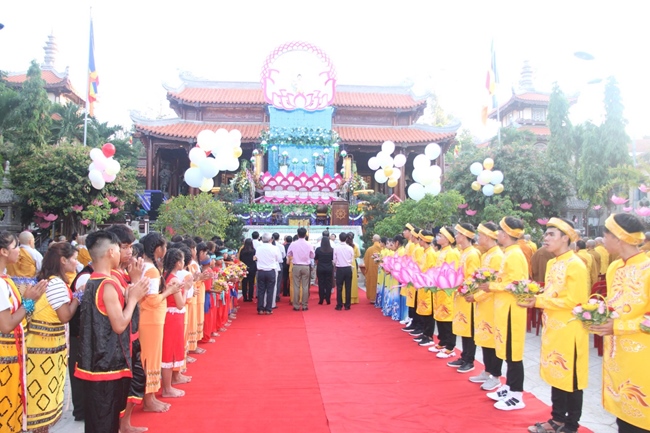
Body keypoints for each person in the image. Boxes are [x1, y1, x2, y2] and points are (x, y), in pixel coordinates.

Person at [74, 230, 149, 433]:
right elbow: (119, 325)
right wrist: (133, 299)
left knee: (100, 419)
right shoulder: (107, 284)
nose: (122, 253)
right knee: (105, 420)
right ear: (110, 252)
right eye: (119, 248)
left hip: (95, 362)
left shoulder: (93, 280)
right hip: (107, 365)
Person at [520, 218, 589, 433]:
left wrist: (539, 301)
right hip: (553, 327)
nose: (546, 238)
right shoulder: (552, 263)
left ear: (565, 238)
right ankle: (556, 419)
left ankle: (571, 425)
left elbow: (575, 302)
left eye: (551, 234)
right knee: (556, 374)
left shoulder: (575, 264)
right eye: (546, 233)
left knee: (571, 378)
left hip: (570, 329)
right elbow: (552, 293)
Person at [590, 213, 650, 433]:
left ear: (618, 237)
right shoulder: (615, 267)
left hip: (642, 354)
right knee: (622, 413)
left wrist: (618, 327)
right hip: (616, 350)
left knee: (640, 412)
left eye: (605, 234)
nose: (603, 239)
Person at [26, 242, 80, 431]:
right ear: (63, 260)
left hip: (45, 345)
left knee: (43, 397)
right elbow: (64, 315)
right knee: (43, 398)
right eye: (74, 259)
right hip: (45, 348)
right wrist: (78, 298)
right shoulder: (56, 283)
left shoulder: (51, 280)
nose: (76, 262)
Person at [480, 217, 529, 411]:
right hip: (504, 308)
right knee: (507, 352)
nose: (498, 234)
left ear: (506, 234)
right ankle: (509, 387)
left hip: (511, 310)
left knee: (513, 353)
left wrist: (492, 286)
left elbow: (515, 284)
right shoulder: (509, 252)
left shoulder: (515, 254)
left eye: (500, 231)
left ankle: (517, 395)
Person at [0, 232, 48, 433]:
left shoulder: (5, 279)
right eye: (15, 247)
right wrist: (29, 302)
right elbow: (6, 325)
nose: (19, 252)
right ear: (3, 252)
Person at [105, 224, 147, 433]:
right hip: (121, 340)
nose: (129, 251)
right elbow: (129, 302)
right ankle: (122, 425)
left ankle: (125, 424)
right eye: (124, 247)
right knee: (129, 382)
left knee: (136, 381)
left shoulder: (123, 272)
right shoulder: (111, 277)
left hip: (132, 335)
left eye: (130, 246)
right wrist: (136, 281)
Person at [139, 232, 181, 413]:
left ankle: (150, 396)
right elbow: (152, 300)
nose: (165, 250)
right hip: (151, 319)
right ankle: (148, 399)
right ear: (158, 248)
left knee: (150, 357)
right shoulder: (151, 270)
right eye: (164, 247)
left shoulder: (145, 267)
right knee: (150, 358)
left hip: (149, 318)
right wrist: (169, 291)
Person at [468, 222, 504, 392]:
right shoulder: (486, 254)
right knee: (484, 338)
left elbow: (493, 285)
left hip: (491, 304)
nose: (478, 237)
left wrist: (476, 296)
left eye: (480, 235)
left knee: (492, 340)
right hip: (482, 303)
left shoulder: (497, 256)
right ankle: (487, 371)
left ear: (489, 236)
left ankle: (495, 376)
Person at [448, 223, 481, 373]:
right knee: (463, 328)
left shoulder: (472, 254)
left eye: (458, 234)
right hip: (461, 294)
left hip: (468, 296)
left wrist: (459, 286)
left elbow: (472, 278)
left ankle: (469, 360)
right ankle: (464, 356)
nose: (456, 236)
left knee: (469, 329)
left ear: (465, 236)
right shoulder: (463, 252)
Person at [161, 248, 192, 398]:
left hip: (171, 317)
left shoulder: (165, 276)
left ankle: (172, 380)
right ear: (178, 263)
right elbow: (180, 304)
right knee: (169, 351)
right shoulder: (173, 279)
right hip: (173, 318)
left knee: (171, 349)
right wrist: (186, 289)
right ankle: (167, 388)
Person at [429, 226, 460, 359]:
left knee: (447, 318)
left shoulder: (451, 253)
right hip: (439, 289)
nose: (438, 237)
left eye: (440, 236)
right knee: (440, 316)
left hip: (447, 290)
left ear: (447, 239)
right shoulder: (442, 251)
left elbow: (452, 272)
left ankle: (450, 346)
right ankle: (442, 342)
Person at [412, 230, 437, 347]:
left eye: (420, 239)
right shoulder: (424, 252)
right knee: (423, 310)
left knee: (428, 312)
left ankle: (429, 336)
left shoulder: (431, 253)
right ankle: (425, 333)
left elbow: (430, 270)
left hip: (428, 286)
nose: (419, 241)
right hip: (422, 284)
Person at [287, 227, 314, 311]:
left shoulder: (293, 244)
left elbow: (289, 254)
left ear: (297, 234)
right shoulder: (309, 244)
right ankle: (305, 305)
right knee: (305, 286)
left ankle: (296, 305)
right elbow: (312, 255)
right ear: (305, 234)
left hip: (296, 266)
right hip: (305, 266)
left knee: (296, 286)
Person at [255, 233, 281, 314]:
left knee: (261, 290)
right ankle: (268, 309)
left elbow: (256, 258)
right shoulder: (275, 248)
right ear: (271, 239)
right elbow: (279, 259)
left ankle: (260, 309)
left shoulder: (258, 248)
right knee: (270, 290)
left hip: (261, 271)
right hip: (270, 271)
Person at [334, 232, 354, 310]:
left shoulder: (336, 248)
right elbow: (352, 258)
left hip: (340, 268)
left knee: (339, 287)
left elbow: (334, 259)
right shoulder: (350, 248)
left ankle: (339, 305)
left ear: (339, 239)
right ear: (346, 239)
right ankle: (347, 305)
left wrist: (337, 264)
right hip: (348, 268)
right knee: (348, 287)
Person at [362, 234, 382, 304]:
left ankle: (373, 298)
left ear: (373, 240)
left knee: (372, 283)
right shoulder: (382, 248)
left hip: (371, 270)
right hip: (381, 270)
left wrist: (367, 268)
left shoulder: (369, 249)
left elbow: (366, 260)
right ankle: (380, 298)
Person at [314, 235, 334, 305]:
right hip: (329, 268)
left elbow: (315, 258)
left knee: (321, 283)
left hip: (320, 267)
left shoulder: (318, 249)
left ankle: (321, 299)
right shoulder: (331, 250)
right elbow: (333, 258)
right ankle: (328, 299)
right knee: (329, 283)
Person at [271, 233, 285, 307]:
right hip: (277, 264)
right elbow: (283, 256)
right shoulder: (280, 246)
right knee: (278, 282)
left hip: (266, 267)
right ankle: (276, 296)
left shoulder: (261, 247)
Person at [348, 232, 361, 304]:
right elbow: (358, 255)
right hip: (353, 262)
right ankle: (353, 298)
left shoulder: (345, 245)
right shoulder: (356, 245)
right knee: (353, 280)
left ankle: (345, 297)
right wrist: (354, 257)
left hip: (345, 263)